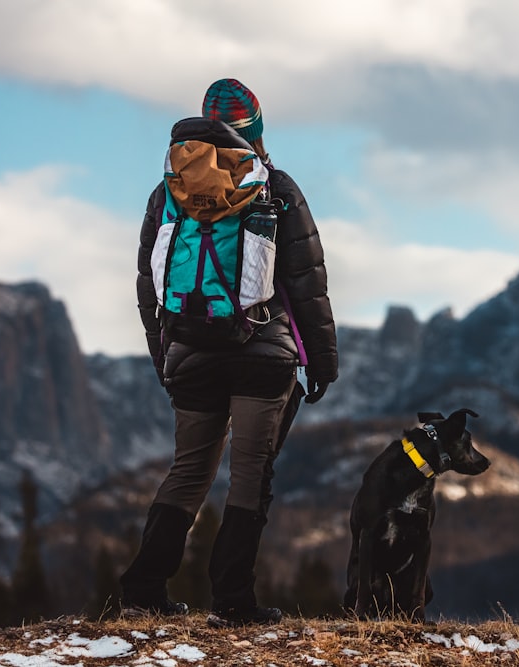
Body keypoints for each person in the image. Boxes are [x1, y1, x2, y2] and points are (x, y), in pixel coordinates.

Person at [119, 78, 339, 627]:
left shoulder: (167, 189)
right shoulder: (277, 187)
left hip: (189, 351)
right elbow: (306, 281)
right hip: (263, 353)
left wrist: (162, 355)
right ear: (256, 130)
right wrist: (324, 360)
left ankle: (144, 588)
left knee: (189, 470)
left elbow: (150, 284)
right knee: (249, 475)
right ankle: (233, 600)